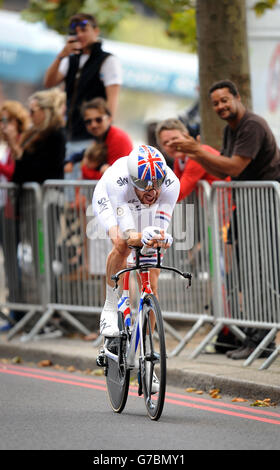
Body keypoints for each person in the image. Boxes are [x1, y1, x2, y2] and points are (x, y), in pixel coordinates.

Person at [169, 79, 280, 359]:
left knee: (260, 274)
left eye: (224, 100)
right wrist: (200, 154)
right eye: (215, 103)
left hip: (263, 207)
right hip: (246, 206)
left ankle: (263, 342)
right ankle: (253, 338)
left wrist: (197, 152)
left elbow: (235, 166)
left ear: (237, 97)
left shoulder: (251, 126)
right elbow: (223, 174)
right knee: (245, 275)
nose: (220, 106)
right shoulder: (231, 130)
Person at [44, 12, 122, 161]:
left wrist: (105, 137)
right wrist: (61, 56)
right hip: (70, 133)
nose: (79, 35)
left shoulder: (108, 60)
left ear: (96, 31)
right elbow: (49, 82)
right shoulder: (71, 59)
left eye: (84, 30)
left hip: (92, 135)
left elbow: (112, 100)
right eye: (76, 32)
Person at [0, 101, 30, 332]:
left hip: (17, 211)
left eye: (6, 120)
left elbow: (17, 173)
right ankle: (14, 312)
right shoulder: (9, 146)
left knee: (14, 263)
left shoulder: (20, 142)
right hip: (8, 209)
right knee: (10, 264)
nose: (2, 126)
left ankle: (18, 314)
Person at [64, 97, 133, 178]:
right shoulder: (99, 138)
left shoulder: (119, 139)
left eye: (98, 120)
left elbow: (113, 178)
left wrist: (84, 168)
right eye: (88, 121)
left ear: (109, 119)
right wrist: (71, 161)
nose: (93, 125)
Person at [155, 118, 223, 201]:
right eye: (166, 142)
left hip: (229, 206)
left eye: (175, 139)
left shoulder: (196, 156)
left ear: (186, 135)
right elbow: (174, 185)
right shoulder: (179, 160)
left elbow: (178, 192)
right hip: (215, 208)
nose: (171, 144)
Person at [12, 88, 66, 184]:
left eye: (32, 111)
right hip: (30, 195)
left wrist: (18, 152)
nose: (29, 115)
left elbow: (40, 171)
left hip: (47, 196)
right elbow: (18, 176)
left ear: (45, 111)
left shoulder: (56, 135)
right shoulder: (30, 134)